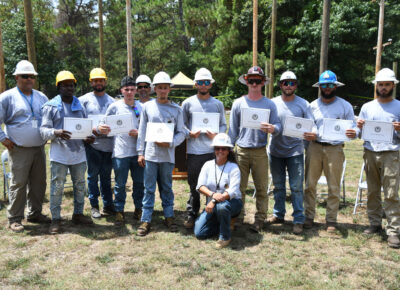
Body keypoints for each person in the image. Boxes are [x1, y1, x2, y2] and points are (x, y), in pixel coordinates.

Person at [228, 66, 281, 232]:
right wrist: (229, 149)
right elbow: (232, 130)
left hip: (260, 151)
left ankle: (259, 219)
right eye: (251, 80)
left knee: (261, 188)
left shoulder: (269, 104)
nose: (254, 84)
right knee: (239, 188)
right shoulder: (238, 103)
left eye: (257, 80)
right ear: (246, 81)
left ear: (263, 82)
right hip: (241, 150)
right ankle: (239, 217)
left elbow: (278, 125)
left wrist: (272, 128)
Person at [40, 71, 94, 234]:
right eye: (65, 85)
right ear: (59, 87)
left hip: (78, 154)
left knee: (80, 185)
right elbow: (42, 130)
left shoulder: (80, 105)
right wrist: (56, 133)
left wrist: (88, 138)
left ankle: (78, 214)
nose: (69, 88)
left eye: (71, 85)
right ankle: (55, 219)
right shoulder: (50, 106)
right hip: (59, 155)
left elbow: (85, 128)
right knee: (57, 187)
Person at [304, 70, 356, 232]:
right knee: (310, 184)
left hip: (335, 149)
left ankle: (331, 220)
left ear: (335, 86)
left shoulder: (345, 106)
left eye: (330, 85)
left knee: (334, 186)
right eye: (324, 85)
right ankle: (308, 216)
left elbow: (353, 128)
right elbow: (308, 125)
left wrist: (352, 133)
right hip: (315, 147)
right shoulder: (312, 106)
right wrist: (309, 134)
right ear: (319, 86)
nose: (327, 88)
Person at [0, 60, 49, 232]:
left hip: (39, 148)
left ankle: (35, 213)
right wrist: (3, 138)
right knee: (19, 183)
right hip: (18, 148)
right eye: (25, 76)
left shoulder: (41, 96)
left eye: (32, 76)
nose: (29, 79)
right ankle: (15, 217)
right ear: (16, 77)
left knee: (39, 183)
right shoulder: (7, 97)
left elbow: (48, 118)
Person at [136, 71, 186, 236]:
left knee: (167, 188)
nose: (163, 91)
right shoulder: (147, 107)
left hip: (167, 156)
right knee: (149, 189)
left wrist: (170, 142)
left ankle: (169, 217)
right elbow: (142, 131)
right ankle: (146, 219)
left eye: (165, 88)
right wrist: (140, 152)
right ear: (154, 89)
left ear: (169, 89)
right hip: (150, 155)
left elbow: (182, 132)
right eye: (160, 88)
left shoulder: (176, 110)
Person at [357, 68, 400, 248]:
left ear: (393, 85)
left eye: (386, 84)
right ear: (376, 86)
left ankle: (393, 231)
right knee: (373, 190)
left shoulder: (398, 106)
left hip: (391, 153)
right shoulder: (367, 107)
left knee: (391, 192)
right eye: (380, 84)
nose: (383, 87)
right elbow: (359, 134)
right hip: (370, 152)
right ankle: (374, 223)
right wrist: (358, 127)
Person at [268, 71, 315, 234]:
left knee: (296, 187)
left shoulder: (304, 104)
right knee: (278, 186)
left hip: (295, 152)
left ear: (296, 85)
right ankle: (278, 215)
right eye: (285, 83)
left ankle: (298, 219)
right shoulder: (272, 103)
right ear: (280, 85)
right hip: (275, 151)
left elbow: (312, 124)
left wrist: (312, 134)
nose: (289, 86)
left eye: (292, 83)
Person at [181, 68, 227, 229]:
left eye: (206, 82)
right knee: (194, 184)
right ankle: (191, 213)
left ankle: (210, 213)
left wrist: (217, 135)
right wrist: (189, 133)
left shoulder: (218, 104)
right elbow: (182, 125)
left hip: (213, 151)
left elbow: (223, 124)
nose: (203, 85)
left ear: (211, 84)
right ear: (195, 84)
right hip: (194, 151)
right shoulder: (187, 103)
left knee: (213, 184)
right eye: (200, 82)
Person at [98, 76, 143, 225]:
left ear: (135, 90)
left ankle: (138, 208)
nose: (129, 92)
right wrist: (102, 129)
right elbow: (103, 124)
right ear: (121, 90)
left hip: (137, 152)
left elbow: (146, 128)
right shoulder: (114, 106)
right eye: (126, 89)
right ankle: (119, 211)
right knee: (120, 184)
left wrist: (139, 133)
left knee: (138, 183)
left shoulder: (141, 107)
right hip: (120, 153)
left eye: (132, 89)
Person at [194, 133, 242, 249]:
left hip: (232, 203)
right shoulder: (208, 165)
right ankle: (224, 223)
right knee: (199, 233)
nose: (220, 151)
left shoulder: (234, 167)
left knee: (222, 206)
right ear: (214, 149)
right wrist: (212, 194)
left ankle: (225, 237)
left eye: (224, 148)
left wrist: (213, 200)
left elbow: (232, 191)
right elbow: (200, 186)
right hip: (212, 204)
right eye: (217, 148)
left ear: (229, 150)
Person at [79, 68, 115, 218]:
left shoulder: (113, 101)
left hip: (108, 146)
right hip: (92, 145)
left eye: (101, 80)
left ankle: (108, 205)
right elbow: (79, 123)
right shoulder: (83, 100)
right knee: (92, 176)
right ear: (91, 82)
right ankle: (94, 206)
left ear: (105, 81)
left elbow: (118, 124)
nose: (98, 83)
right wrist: (92, 130)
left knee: (106, 177)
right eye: (95, 80)